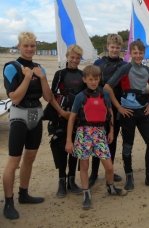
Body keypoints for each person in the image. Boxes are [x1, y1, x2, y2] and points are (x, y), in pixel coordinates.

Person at [104, 40, 149, 191]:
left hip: (142, 111)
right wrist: (119, 107)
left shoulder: (146, 70)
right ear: (130, 54)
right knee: (128, 146)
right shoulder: (125, 68)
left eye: (140, 53)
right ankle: (129, 177)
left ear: (143, 54)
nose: (138, 55)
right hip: (128, 113)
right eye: (135, 53)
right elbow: (107, 87)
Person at [2, 31, 52, 220]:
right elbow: (14, 97)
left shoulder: (40, 68)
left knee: (30, 158)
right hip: (19, 115)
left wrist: (42, 78)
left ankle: (24, 194)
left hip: (36, 114)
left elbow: (47, 97)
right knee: (13, 162)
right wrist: (27, 77)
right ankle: (8, 202)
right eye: (26, 46)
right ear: (19, 46)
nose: (30, 49)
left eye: (33, 46)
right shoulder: (11, 67)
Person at [65, 65, 127, 210]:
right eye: (90, 79)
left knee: (109, 167)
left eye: (96, 79)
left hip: (100, 133)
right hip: (84, 133)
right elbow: (72, 118)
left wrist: (111, 131)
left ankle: (111, 187)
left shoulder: (104, 94)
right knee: (84, 165)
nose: (94, 82)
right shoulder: (81, 96)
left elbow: (110, 113)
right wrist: (69, 140)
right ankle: (86, 193)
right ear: (84, 80)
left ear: (99, 79)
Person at [48, 44, 86, 198]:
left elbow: (85, 96)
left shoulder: (82, 74)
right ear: (67, 56)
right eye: (72, 57)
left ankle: (72, 180)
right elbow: (52, 96)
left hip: (77, 117)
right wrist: (62, 112)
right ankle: (61, 181)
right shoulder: (60, 74)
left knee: (75, 150)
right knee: (62, 149)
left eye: (77, 58)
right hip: (61, 117)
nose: (75, 60)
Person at [89, 34, 125, 187]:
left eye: (117, 47)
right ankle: (94, 173)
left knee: (112, 139)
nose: (115, 50)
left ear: (120, 49)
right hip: (99, 106)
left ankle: (109, 170)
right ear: (107, 47)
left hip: (116, 106)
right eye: (112, 47)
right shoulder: (99, 63)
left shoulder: (124, 65)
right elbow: (91, 84)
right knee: (97, 139)